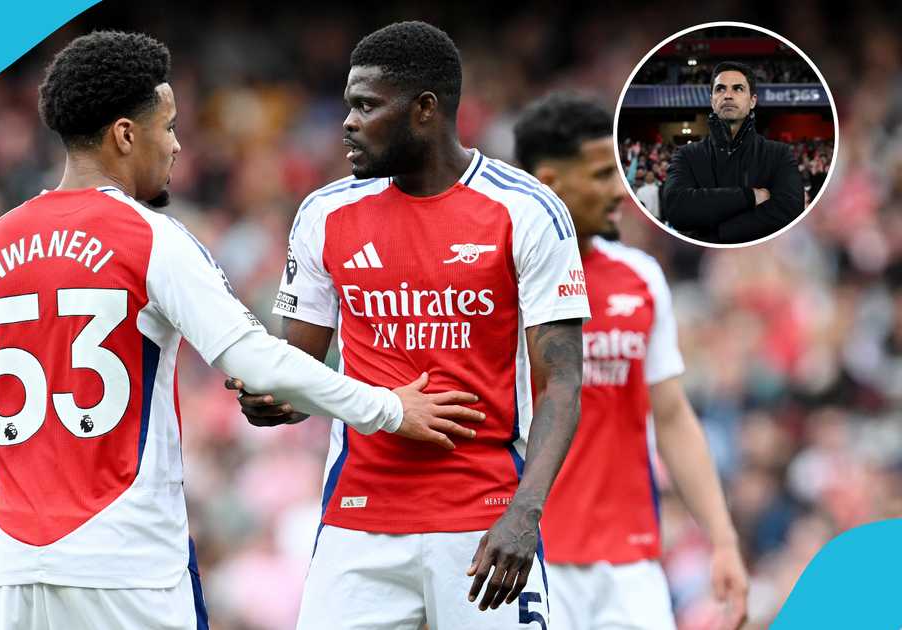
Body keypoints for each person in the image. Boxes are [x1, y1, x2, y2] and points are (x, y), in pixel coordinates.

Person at [0, 30, 486, 630]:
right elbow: (256, 361)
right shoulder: (149, 238)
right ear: (125, 135)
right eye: (168, 127)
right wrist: (388, 407)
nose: (177, 146)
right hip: (131, 570)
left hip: (17, 575)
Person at [227, 21, 589, 629]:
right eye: (349, 105)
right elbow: (301, 371)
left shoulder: (525, 209)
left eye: (367, 105)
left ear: (425, 109)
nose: (347, 121)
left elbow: (563, 381)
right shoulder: (325, 214)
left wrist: (525, 513)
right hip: (358, 522)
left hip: (484, 519)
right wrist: (273, 399)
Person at [513, 92, 749, 629]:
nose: (620, 189)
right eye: (601, 175)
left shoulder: (640, 278)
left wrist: (723, 540)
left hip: (632, 563)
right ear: (550, 182)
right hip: (527, 558)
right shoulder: (501, 286)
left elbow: (670, 416)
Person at [662, 61, 804, 244]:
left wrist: (717, 233)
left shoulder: (779, 154)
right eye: (720, 89)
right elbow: (676, 209)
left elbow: (789, 211)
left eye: (738, 89)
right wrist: (750, 196)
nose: (728, 95)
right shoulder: (686, 155)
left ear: (752, 101)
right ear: (712, 100)